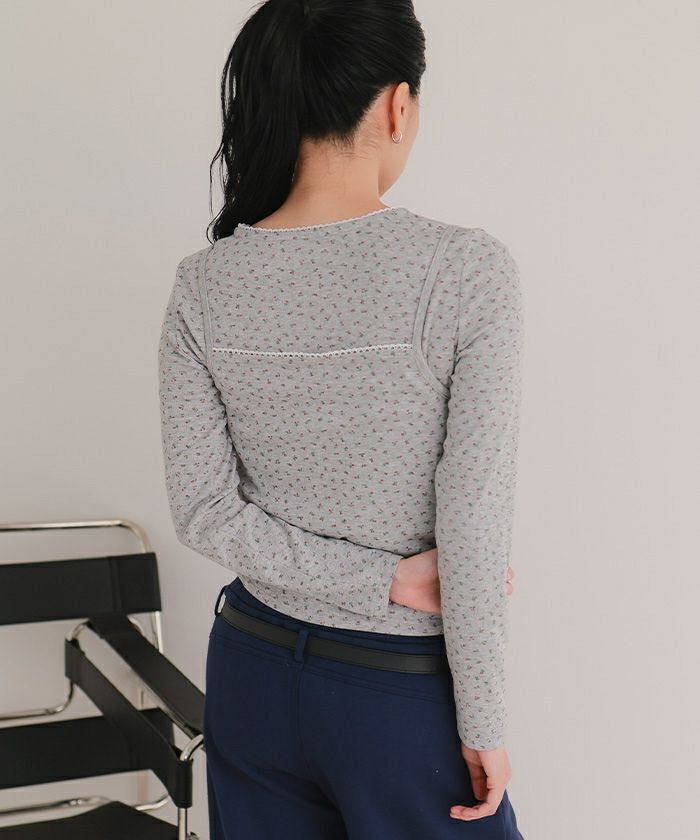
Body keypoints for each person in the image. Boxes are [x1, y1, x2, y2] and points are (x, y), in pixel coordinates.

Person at [158, 0, 526, 837]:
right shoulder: (465, 270)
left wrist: (371, 579)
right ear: (397, 105)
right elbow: (471, 522)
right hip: (394, 691)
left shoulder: (204, 285)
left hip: (250, 672)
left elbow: (204, 510)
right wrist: (484, 726)